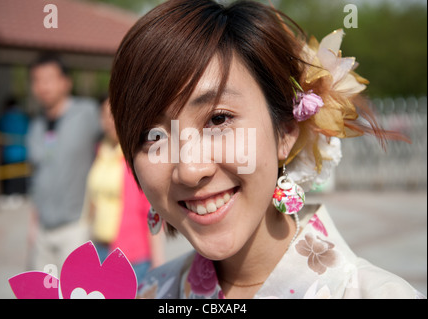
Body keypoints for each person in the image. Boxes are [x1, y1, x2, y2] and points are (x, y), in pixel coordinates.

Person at [109, 0, 424, 299]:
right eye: (154, 136)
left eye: (218, 119)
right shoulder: (146, 291)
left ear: (286, 130)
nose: (190, 170)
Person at [26, 53, 101, 271]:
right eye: (36, 80)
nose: (42, 86)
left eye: (48, 79)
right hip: (43, 230)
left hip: (76, 227)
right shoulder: (35, 126)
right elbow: (36, 177)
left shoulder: (87, 113)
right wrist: (33, 225)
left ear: (66, 82)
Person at [82, 97, 164, 282]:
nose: (110, 121)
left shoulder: (138, 157)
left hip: (131, 255)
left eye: (116, 115)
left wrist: (158, 259)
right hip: (101, 247)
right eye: (105, 116)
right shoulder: (100, 151)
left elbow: (151, 211)